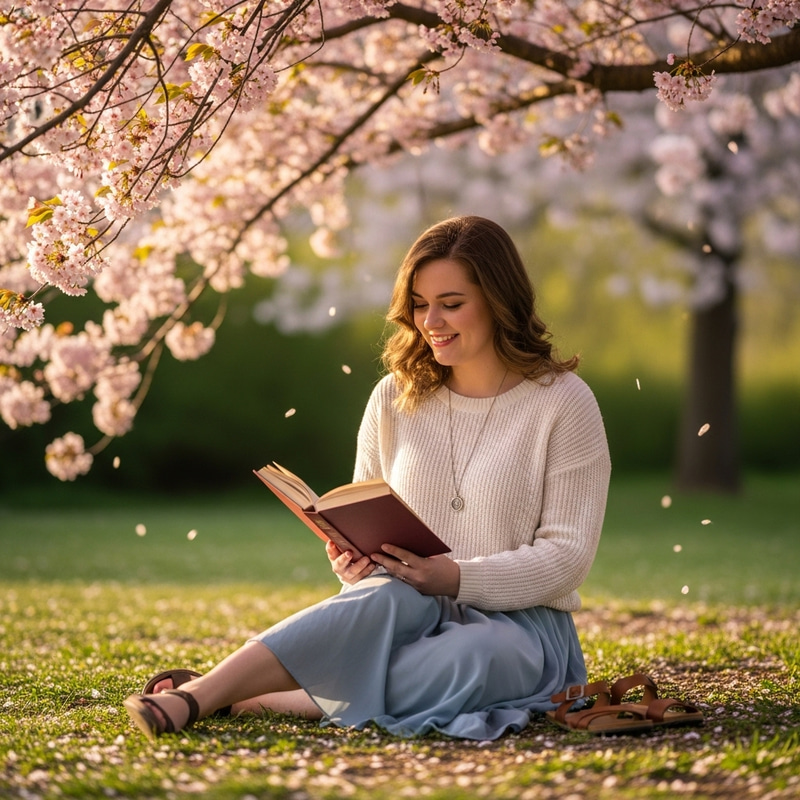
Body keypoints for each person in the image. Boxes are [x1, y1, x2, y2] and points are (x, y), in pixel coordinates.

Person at [124, 215, 612, 741]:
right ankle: (197, 696)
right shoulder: (394, 397)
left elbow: (567, 557)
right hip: (401, 606)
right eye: (419, 305)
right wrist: (352, 564)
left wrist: (454, 578)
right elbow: (365, 531)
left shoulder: (564, 402)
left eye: (451, 303)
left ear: (499, 301)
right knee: (384, 598)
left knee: (475, 655)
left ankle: (261, 700)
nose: (431, 321)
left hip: (521, 629)